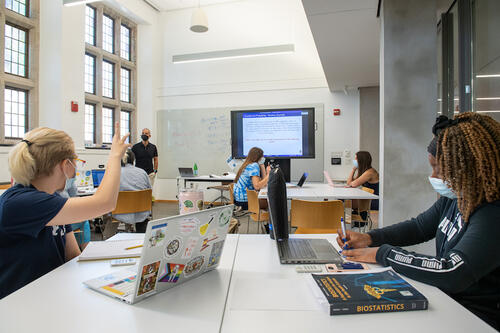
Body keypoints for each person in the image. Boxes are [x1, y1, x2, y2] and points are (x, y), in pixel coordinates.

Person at [337, 112, 500, 330]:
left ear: (468, 168)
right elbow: (419, 227)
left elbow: (453, 271)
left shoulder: (493, 212)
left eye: (439, 168)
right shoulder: (457, 198)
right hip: (448, 303)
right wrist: (369, 238)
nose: (433, 176)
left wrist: (382, 253)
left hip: (475, 319)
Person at [0, 122, 129, 299]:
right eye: (76, 161)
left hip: (51, 294)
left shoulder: (56, 201)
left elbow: (72, 255)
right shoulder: (20, 202)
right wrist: (115, 157)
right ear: (65, 164)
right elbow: (105, 203)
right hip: (19, 302)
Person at [112, 149, 152, 233]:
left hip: (120, 213)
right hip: (142, 212)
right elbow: (150, 190)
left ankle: (107, 235)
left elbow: (108, 194)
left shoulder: (114, 173)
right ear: (133, 160)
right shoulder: (143, 172)